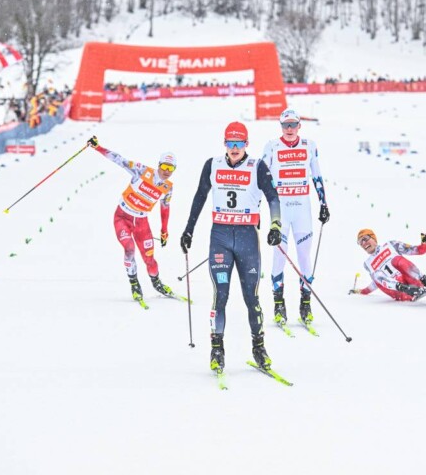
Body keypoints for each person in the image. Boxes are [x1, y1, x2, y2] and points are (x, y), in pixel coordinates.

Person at [180, 121, 282, 372]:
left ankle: (259, 348)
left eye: (239, 143)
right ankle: (217, 350)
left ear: (246, 144)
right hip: (221, 238)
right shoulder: (212, 165)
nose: (234, 148)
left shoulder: (257, 166)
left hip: (248, 238)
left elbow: (273, 197)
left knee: (251, 297)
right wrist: (188, 230)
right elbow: (199, 197)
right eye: (230, 143)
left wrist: (275, 225)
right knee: (220, 295)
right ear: (224, 143)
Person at [261, 108, 329, 327]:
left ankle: (305, 303)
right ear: (280, 126)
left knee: (304, 257)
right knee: (279, 256)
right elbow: (261, 179)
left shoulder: (309, 146)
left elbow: (316, 175)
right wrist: (257, 209)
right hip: (280, 209)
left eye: (293, 125)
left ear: (300, 125)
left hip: (302, 209)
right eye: (285, 125)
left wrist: (323, 203)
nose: (289, 129)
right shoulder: (272, 146)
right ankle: (279, 304)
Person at [87, 135, 177, 302]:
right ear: (159, 165)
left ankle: (157, 282)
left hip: (142, 223)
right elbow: (120, 160)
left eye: (170, 169)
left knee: (149, 257)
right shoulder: (143, 171)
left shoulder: (168, 188)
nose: (166, 171)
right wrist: (98, 147)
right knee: (129, 248)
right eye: (164, 166)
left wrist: (164, 231)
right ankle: (134, 284)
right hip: (122, 217)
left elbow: (165, 208)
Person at [350, 229, 426, 303]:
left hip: (413, 281)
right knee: (377, 274)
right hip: (399, 292)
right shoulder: (368, 264)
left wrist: (425, 241)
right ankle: (406, 288)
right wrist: (360, 291)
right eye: (360, 242)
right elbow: (377, 282)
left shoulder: (391, 245)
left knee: (397, 260)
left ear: (374, 238)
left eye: (365, 239)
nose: (363, 243)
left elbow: (417, 250)